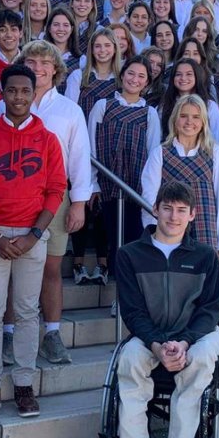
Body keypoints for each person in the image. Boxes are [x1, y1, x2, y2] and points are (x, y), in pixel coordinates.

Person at [100, 181, 219, 438]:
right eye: (167, 208)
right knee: (128, 360)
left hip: (197, 334)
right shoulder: (130, 255)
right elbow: (132, 310)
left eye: (181, 210)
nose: (173, 216)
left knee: (199, 361)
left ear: (193, 215)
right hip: (150, 334)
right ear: (154, 210)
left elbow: (211, 308)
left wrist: (184, 342)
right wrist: (157, 345)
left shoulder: (205, 257)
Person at [0, 63, 67, 419]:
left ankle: (24, 386)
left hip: (32, 237)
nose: (19, 97)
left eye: (26, 91)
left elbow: (56, 191)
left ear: (33, 93)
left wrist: (34, 235)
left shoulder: (48, 140)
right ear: (3, 93)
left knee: (27, 313)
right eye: (12, 91)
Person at [14, 41, 95, 366]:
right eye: (31, 62)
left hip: (56, 196)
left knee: (50, 268)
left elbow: (79, 159)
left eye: (45, 63)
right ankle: (10, 332)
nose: (38, 68)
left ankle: (51, 333)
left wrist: (78, 203)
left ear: (55, 70)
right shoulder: (10, 102)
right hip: (15, 194)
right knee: (15, 268)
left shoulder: (68, 110)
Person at [88, 56, 161, 316]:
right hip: (109, 187)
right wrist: (93, 184)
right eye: (131, 73)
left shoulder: (149, 113)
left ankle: (129, 299)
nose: (135, 80)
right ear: (123, 75)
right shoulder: (103, 106)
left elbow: (154, 153)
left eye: (141, 76)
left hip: (136, 191)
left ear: (147, 82)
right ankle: (119, 294)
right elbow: (91, 147)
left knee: (134, 243)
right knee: (115, 243)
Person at [140, 95, 219, 260]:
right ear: (175, 119)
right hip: (170, 226)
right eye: (183, 116)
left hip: (206, 225)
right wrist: (154, 232)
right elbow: (149, 197)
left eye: (196, 117)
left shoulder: (215, 152)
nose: (189, 121)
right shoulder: (160, 153)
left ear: (203, 121)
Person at [65, 27, 122, 287]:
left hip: (109, 149)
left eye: (107, 46)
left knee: (101, 207)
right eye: (97, 46)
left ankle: (102, 264)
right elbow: (70, 109)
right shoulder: (80, 76)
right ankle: (78, 263)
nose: (102, 51)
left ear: (114, 49)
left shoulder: (121, 78)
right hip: (81, 146)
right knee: (81, 202)